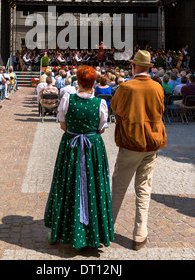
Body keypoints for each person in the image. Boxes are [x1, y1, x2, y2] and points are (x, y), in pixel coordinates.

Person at [44, 65, 114, 250]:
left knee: (68, 185)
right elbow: (100, 129)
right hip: (92, 149)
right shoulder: (99, 103)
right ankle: (94, 234)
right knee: (94, 186)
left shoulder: (68, 99)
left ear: (78, 82)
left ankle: (60, 231)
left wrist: (76, 132)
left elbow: (62, 126)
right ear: (93, 83)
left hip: (71, 146)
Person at [110, 50, 166, 251]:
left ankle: (109, 227)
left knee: (118, 186)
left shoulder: (126, 87)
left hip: (131, 143)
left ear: (133, 67)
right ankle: (139, 234)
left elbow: (115, 108)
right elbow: (160, 110)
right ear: (149, 67)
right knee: (144, 188)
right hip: (152, 142)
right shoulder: (157, 87)